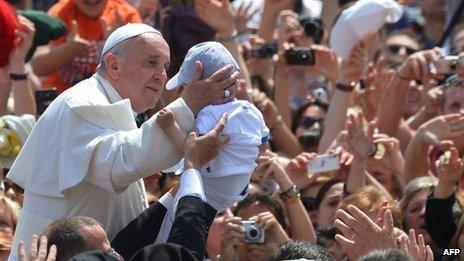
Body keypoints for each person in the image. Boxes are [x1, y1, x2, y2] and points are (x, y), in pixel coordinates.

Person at [7, 23, 239, 260]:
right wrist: (189, 105)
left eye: (165, 67)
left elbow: (127, 220)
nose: (161, 75)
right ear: (114, 65)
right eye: (151, 63)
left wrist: (182, 189)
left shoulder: (116, 106)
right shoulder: (81, 101)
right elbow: (121, 162)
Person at [154, 41, 269, 243]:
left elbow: (192, 151)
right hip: (241, 189)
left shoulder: (209, 114)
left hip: (213, 187)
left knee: (165, 231)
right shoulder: (251, 110)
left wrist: (169, 125)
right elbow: (263, 146)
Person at [31, 0, 142, 93]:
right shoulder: (60, 13)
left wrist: (119, 43)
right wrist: (68, 50)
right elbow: (37, 66)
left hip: (109, 101)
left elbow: (144, 69)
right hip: (62, 100)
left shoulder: (125, 15)